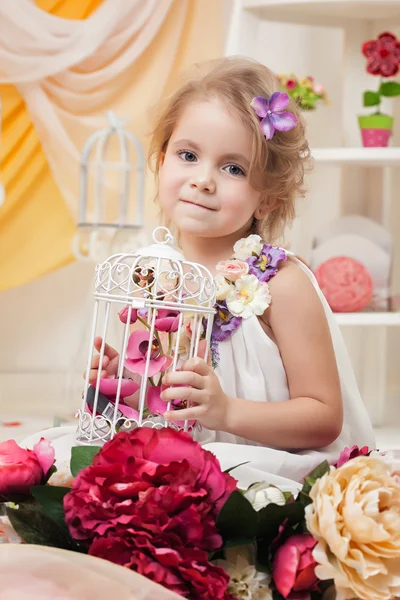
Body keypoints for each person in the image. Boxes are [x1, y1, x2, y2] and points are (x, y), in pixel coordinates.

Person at [87, 56, 375, 490]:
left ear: (267, 199)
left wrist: (228, 413)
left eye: (233, 168)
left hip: (265, 475)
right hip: (185, 473)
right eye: (187, 155)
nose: (203, 179)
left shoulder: (281, 283)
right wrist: (127, 385)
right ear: (161, 161)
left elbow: (323, 418)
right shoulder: (158, 279)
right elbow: (173, 402)